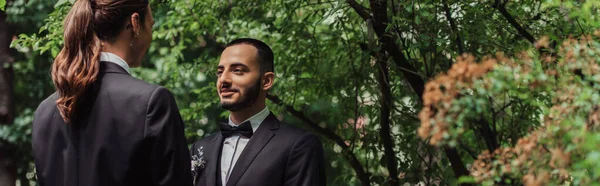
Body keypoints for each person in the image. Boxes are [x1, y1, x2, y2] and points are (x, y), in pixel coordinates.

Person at [31, 0, 193, 185]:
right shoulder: (152, 103)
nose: (151, 34)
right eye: (151, 24)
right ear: (135, 23)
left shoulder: (44, 111)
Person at [190, 38, 326, 186]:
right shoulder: (201, 147)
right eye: (220, 72)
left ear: (266, 81)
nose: (223, 79)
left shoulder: (299, 144)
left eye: (237, 71)